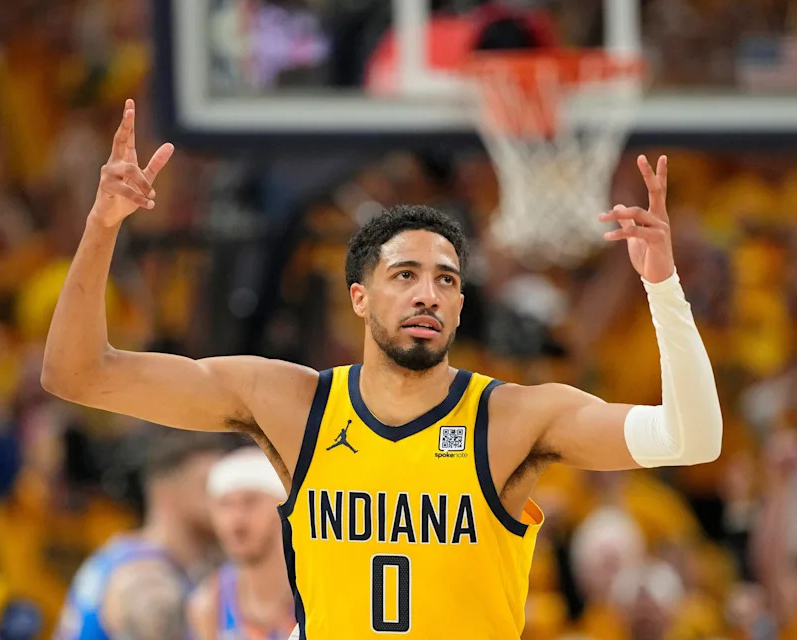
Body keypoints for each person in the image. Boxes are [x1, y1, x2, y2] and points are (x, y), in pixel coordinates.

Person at [42, 99, 723, 638]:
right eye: (406, 274)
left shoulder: (511, 420)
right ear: (360, 298)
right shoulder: (294, 406)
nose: (429, 292)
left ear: (459, 309)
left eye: (447, 281)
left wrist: (662, 286)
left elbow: (691, 440)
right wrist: (102, 226)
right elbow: (80, 374)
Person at [54, 431, 228, 640]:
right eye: (207, 485)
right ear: (166, 491)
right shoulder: (143, 579)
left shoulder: (131, 556)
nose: (224, 500)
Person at [188, 447, 296, 640]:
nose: (236, 520)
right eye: (225, 505)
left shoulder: (314, 594)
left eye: (251, 502)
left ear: (282, 507)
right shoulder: (209, 605)